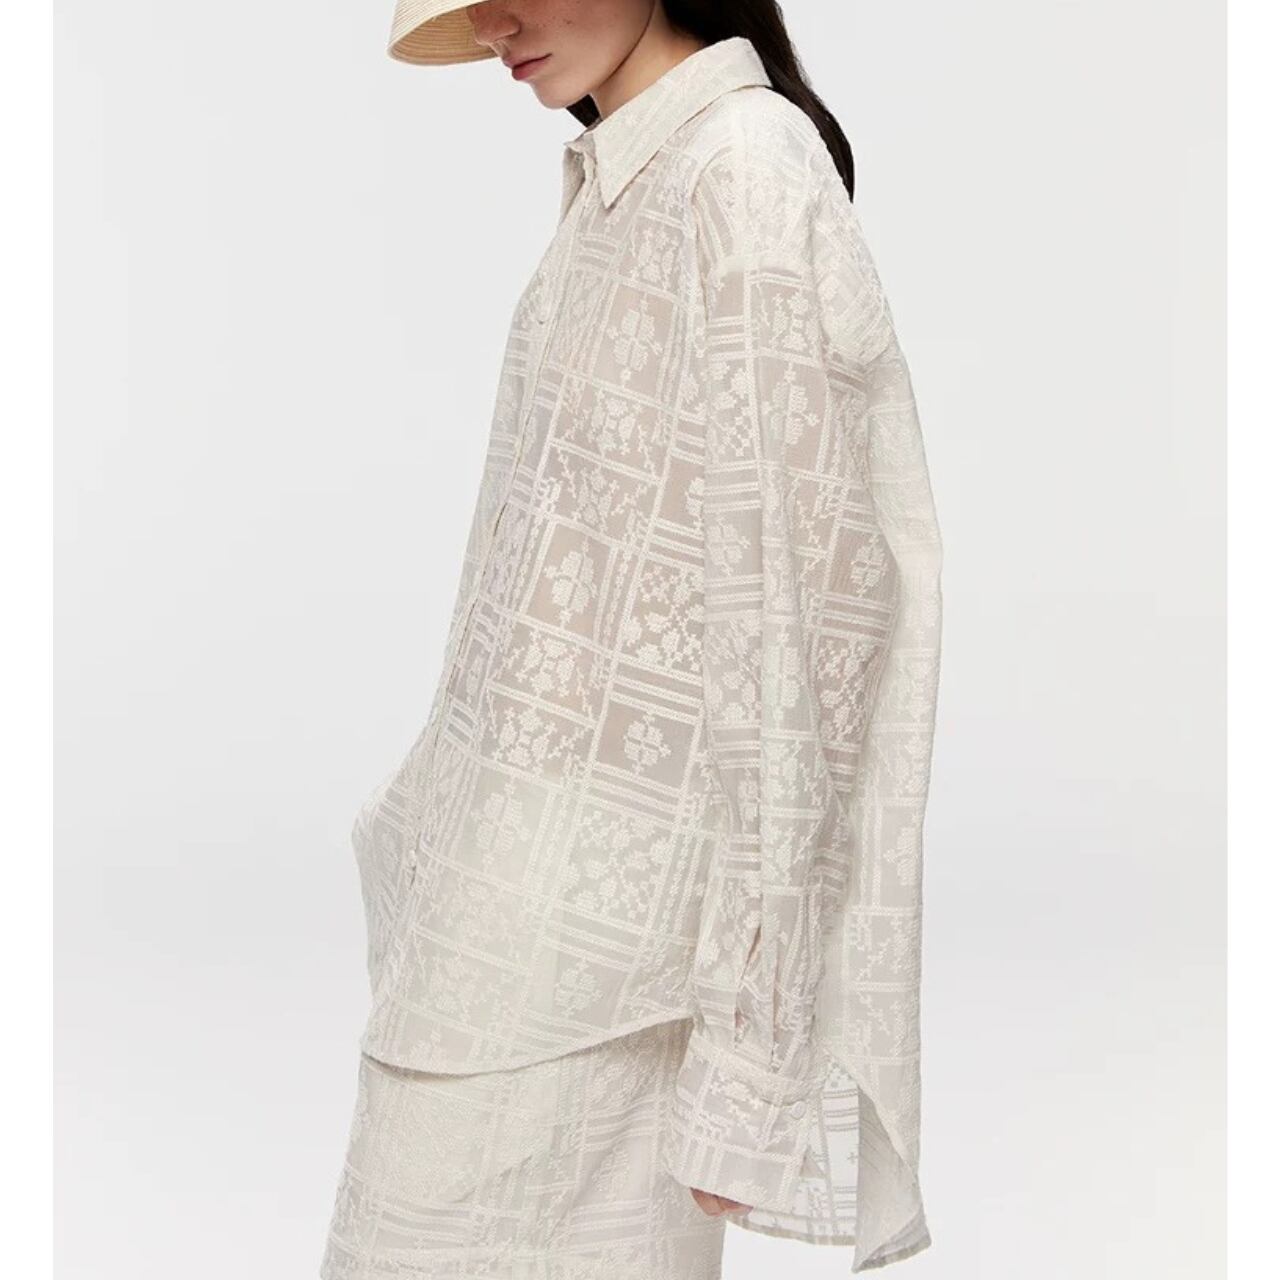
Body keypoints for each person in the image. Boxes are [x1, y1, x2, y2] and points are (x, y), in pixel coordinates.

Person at [320, 2, 944, 1276]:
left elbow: (796, 629)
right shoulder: (631, 177)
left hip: (608, 976)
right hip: (503, 935)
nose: (492, 22)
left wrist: (749, 1051)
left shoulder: (741, 170)